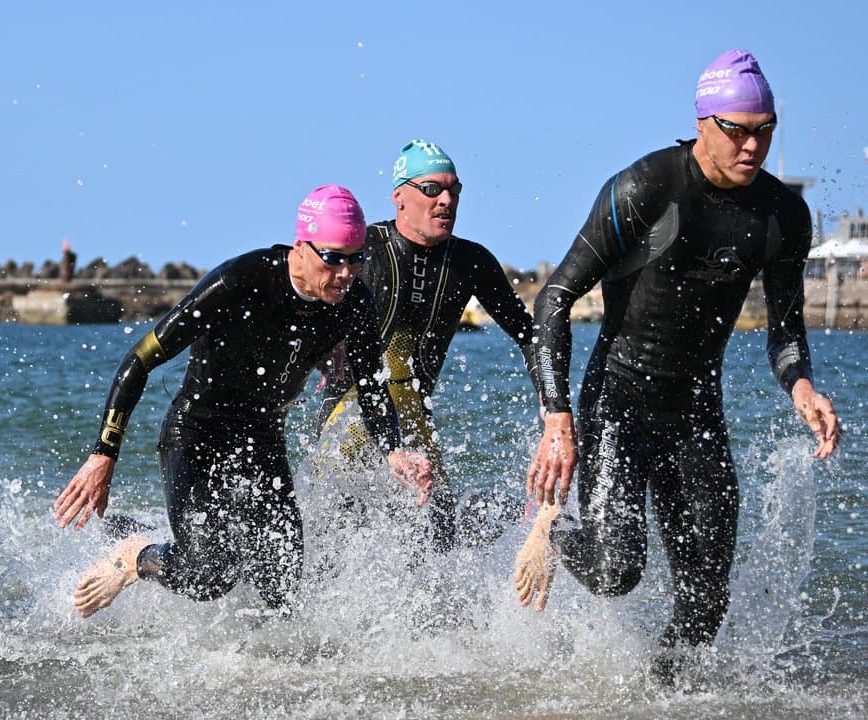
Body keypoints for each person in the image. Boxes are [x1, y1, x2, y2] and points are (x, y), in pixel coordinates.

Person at [513, 51, 840, 680]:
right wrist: (557, 420)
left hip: (695, 410)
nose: (753, 145)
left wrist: (801, 386)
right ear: (703, 123)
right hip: (618, 397)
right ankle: (553, 531)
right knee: (615, 571)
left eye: (766, 129)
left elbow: (786, 327)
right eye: (737, 130)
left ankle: (665, 697)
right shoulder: (646, 188)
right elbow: (554, 297)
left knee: (706, 600)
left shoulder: (782, 215)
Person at [54, 185, 435, 618]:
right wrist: (103, 454)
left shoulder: (353, 302)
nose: (346, 272)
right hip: (195, 433)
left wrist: (393, 448)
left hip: (263, 438)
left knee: (283, 587)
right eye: (333, 257)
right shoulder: (240, 281)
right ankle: (134, 555)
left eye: (356, 257)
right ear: (301, 247)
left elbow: (370, 383)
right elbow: (141, 359)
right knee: (208, 573)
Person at [317, 140, 538, 553]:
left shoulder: (471, 262)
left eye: (454, 190)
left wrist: (555, 408)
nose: (447, 201)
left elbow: (530, 337)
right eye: (432, 189)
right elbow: (304, 303)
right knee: (340, 535)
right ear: (400, 196)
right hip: (347, 416)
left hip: (415, 419)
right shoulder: (363, 250)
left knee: (438, 538)